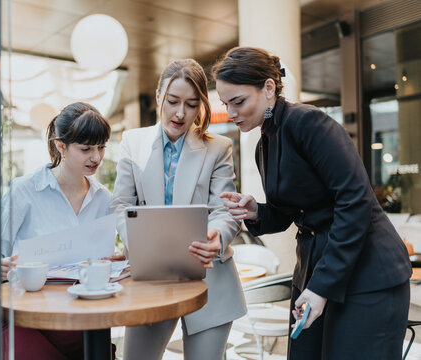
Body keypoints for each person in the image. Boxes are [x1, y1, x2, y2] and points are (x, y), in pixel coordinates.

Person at [213, 46, 412, 359]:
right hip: (316, 272)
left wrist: (322, 286)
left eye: (238, 101)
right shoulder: (264, 146)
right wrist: (256, 211)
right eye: (226, 104)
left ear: (268, 88)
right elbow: (292, 213)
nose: (232, 113)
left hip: (367, 273)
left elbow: (354, 201)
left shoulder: (308, 123)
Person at [110, 59, 247, 360]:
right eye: (173, 101)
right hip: (151, 277)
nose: (180, 113)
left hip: (210, 279)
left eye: (191, 104)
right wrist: (138, 244)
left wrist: (216, 236)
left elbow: (226, 211)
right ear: (159, 96)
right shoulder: (133, 142)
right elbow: (120, 205)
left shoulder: (218, 147)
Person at [0, 102, 118, 360]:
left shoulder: (104, 199)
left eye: (101, 147)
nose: (96, 157)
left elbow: (103, 260)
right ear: (60, 146)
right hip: (27, 317)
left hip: (84, 316)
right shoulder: (24, 191)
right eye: (86, 149)